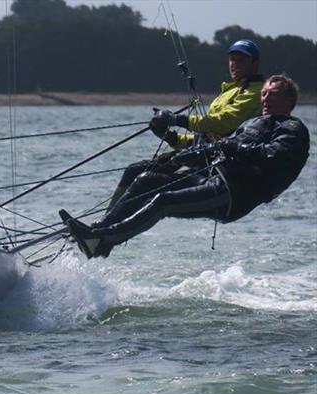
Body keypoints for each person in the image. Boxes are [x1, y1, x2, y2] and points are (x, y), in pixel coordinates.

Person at [60, 74, 310, 260]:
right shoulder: (253, 122)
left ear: (290, 100)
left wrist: (240, 150)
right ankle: (97, 232)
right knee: (147, 179)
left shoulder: (292, 128)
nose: (265, 98)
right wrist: (178, 157)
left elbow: (275, 155)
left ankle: (103, 241)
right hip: (211, 178)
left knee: (164, 201)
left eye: (273, 94)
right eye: (264, 93)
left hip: (234, 193)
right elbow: (216, 147)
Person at [106, 39, 265, 208]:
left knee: (145, 179)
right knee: (133, 170)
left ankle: (106, 229)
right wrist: (170, 137)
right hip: (198, 154)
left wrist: (177, 120)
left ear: (255, 64)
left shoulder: (255, 91)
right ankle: (104, 224)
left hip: (215, 163)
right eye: (232, 59)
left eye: (242, 60)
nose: (235, 64)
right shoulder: (229, 90)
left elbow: (223, 123)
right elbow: (203, 138)